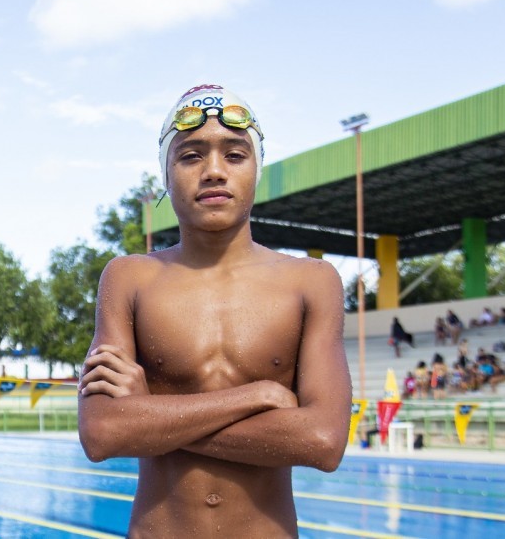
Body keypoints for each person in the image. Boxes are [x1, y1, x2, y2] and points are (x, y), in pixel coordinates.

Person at [78, 84, 349, 538]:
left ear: (255, 171)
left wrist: (148, 413)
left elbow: (322, 441)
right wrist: (256, 395)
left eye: (236, 155)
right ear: (166, 175)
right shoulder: (129, 278)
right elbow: (103, 434)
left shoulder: (311, 281)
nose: (214, 171)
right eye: (191, 156)